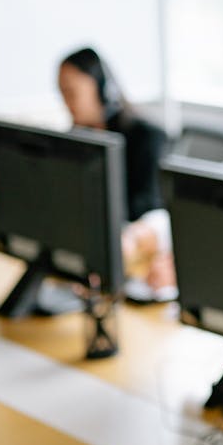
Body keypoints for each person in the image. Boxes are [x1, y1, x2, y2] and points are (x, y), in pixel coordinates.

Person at [58, 47, 176, 303]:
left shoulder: (147, 137)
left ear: (102, 88)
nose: (66, 102)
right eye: (62, 93)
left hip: (138, 260)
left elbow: (150, 207)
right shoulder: (77, 141)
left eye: (71, 92)